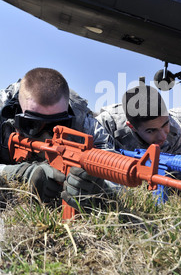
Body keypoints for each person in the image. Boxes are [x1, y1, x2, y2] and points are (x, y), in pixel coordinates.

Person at [0, 67, 115, 210]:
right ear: (17, 114)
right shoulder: (3, 108)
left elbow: (116, 174)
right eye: (33, 124)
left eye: (58, 123)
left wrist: (100, 188)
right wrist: (20, 173)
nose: (47, 136)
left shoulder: (87, 126)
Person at [97, 83, 181, 154]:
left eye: (165, 124)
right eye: (151, 131)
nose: (162, 136)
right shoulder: (108, 124)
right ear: (132, 126)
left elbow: (177, 173)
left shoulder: (175, 134)